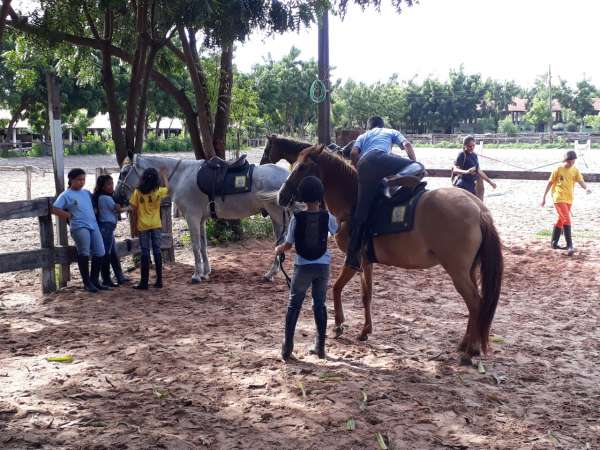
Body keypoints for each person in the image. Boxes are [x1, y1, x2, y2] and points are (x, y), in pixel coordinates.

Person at [346, 115, 422, 271]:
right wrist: (412, 161)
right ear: (382, 125)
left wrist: (358, 168)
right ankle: (394, 181)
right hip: (383, 158)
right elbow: (407, 145)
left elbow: (353, 153)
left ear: (369, 126)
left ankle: (353, 257)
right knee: (419, 167)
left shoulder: (363, 136)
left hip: (364, 164)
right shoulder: (390, 131)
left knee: (361, 212)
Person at [275, 176, 337, 361]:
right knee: (320, 304)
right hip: (322, 266)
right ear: (320, 195)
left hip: (303, 266)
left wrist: (278, 249)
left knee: (294, 304)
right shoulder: (328, 216)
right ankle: (320, 347)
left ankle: (287, 348)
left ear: (302, 197)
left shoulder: (297, 218)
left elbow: (288, 245)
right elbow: (336, 230)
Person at [51, 168, 106, 293]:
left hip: (93, 224)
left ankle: (95, 280)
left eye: (83, 179)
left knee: (100, 251)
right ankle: (87, 283)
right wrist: (69, 216)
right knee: (84, 252)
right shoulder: (66, 195)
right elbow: (55, 209)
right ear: (71, 180)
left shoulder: (86, 192)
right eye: (79, 180)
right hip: (79, 226)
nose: (81, 182)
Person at [541, 150, 591, 256]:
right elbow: (549, 183)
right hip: (558, 198)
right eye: (570, 161)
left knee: (561, 219)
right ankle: (570, 245)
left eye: (573, 161)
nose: (571, 163)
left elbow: (580, 181)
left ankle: (554, 243)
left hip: (569, 199)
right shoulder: (558, 169)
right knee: (567, 219)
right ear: (566, 160)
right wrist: (544, 197)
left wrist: (586, 188)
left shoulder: (575, 170)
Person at [129, 167, 169, 289]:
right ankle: (159, 281)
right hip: (156, 224)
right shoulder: (158, 191)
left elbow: (132, 206)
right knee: (157, 251)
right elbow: (168, 188)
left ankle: (144, 282)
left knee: (145, 252)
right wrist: (164, 176)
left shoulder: (138, 192)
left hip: (143, 225)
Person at [92, 175, 131, 287]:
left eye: (111, 183)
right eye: (108, 184)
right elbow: (118, 209)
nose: (111, 186)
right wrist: (130, 207)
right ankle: (107, 279)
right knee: (107, 253)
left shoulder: (103, 197)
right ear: (102, 186)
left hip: (107, 228)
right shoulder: (105, 198)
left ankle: (118, 276)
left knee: (112, 253)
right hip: (106, 228)